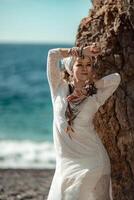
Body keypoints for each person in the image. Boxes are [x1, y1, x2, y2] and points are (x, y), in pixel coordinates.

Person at [46, 44, 121, 200]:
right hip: (66, 162)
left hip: (93, 161)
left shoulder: (96, 95)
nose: (85, 68)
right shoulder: (58, 88)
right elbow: (52, 55)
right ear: (70, 68)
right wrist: (80, 51)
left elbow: (116, 79)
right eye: (79, 64)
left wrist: (89, 89)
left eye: (88, 64)